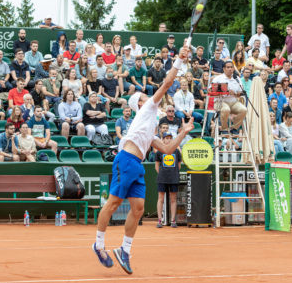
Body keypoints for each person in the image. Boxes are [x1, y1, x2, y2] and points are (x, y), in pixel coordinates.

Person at [92, 46, 194, 274]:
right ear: (140, 103)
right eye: (146, 96)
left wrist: (184, 132)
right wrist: (179, 60)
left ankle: (124, 250)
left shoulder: (150, 129)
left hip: (136, 165)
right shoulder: (147, 108)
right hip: (126, 160)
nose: (151, 97)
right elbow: (167, 84)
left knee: (138, 208)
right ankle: (98, 245)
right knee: (113, 203)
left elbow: (167, 150)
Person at [155, 132, 182, 228]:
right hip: (162, 178)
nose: (169, 139)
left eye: (170, 138)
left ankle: (173, 221)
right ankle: (159, 220)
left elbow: (179, 166)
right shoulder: (159, 151)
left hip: (173, 178)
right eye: (167, 138)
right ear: (163, 140)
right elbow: (157, 166)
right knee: (161, 199)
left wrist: (173, 173)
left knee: (173, 199)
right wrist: (162, 174)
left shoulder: (177, 151)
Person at [212, 61, 247, 134]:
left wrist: (235, 93)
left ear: (233, 69)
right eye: (228, 67)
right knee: (226, 109)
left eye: (231, 67)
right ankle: (224, 129)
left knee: (244, 109)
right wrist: (223, 92)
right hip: (220, 101)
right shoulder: (218, 78)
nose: (230, 69)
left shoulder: (237, 78)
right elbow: (211, 91)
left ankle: (234, 128)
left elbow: (241, 93)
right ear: (224, 69)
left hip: (233, 102)